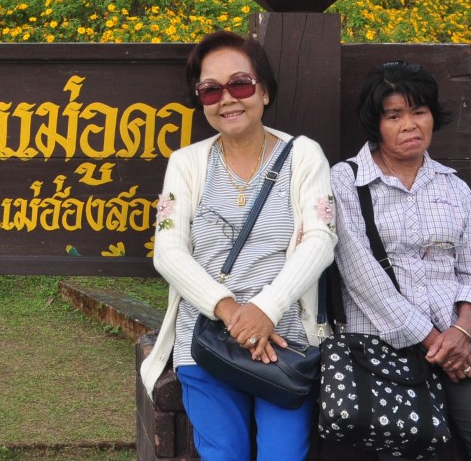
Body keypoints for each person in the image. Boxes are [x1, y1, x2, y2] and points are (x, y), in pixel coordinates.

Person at [140, 30, 336, 461]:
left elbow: (321, 239)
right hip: (207, 341)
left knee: (283, 455)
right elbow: (168, 250)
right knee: (223, 453)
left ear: (263, 91)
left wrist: (266, 309)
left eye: (240, 84)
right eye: (211, 90)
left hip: (285, 344)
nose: (227, 99)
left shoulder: (304, 156)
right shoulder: (187, 163)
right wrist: (232, 313)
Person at [331, 61, 471, 456]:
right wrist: (434, 342)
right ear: (376, 124)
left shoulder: (454, 188)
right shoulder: (346, 180)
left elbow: (469, 268)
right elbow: (360, 273)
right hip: (381, 350)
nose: (410, 125)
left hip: (459, 347)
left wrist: (462, 332)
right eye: (394, 116)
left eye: (419, 112)